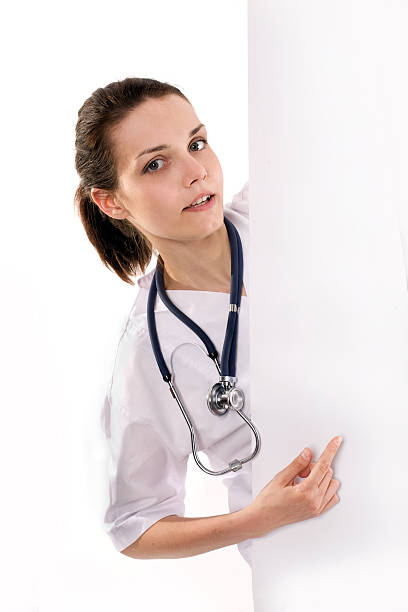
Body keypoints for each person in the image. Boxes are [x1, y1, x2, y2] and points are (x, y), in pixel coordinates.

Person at [73, 76, 342, 569]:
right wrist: (256, 520)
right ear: (111, 201)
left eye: (196, 143)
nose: (197, 172)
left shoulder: (283, 208)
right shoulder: (149, 349)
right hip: (306, 563)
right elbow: (134, 525)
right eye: (156, 163)